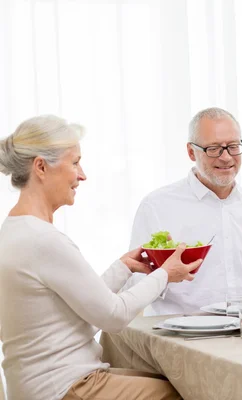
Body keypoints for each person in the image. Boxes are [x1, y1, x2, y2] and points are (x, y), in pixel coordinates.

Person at [0, 115, 200, 400]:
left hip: (38, 386)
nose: (82, 175)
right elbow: (114, 317)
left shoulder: (13, 230)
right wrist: (166, 274)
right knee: (184, 391)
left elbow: (82, 313)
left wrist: (123, 269)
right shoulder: (43, 240)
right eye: (75, 162)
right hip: (65, 387)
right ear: (41, 167)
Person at [126, 107, 242, 316]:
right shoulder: (157, 206)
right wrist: (166, 274)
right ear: (191, 152)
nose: (226, 158)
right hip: (183, 337)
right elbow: (138, 281)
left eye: (233, 146)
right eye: (214, 149)